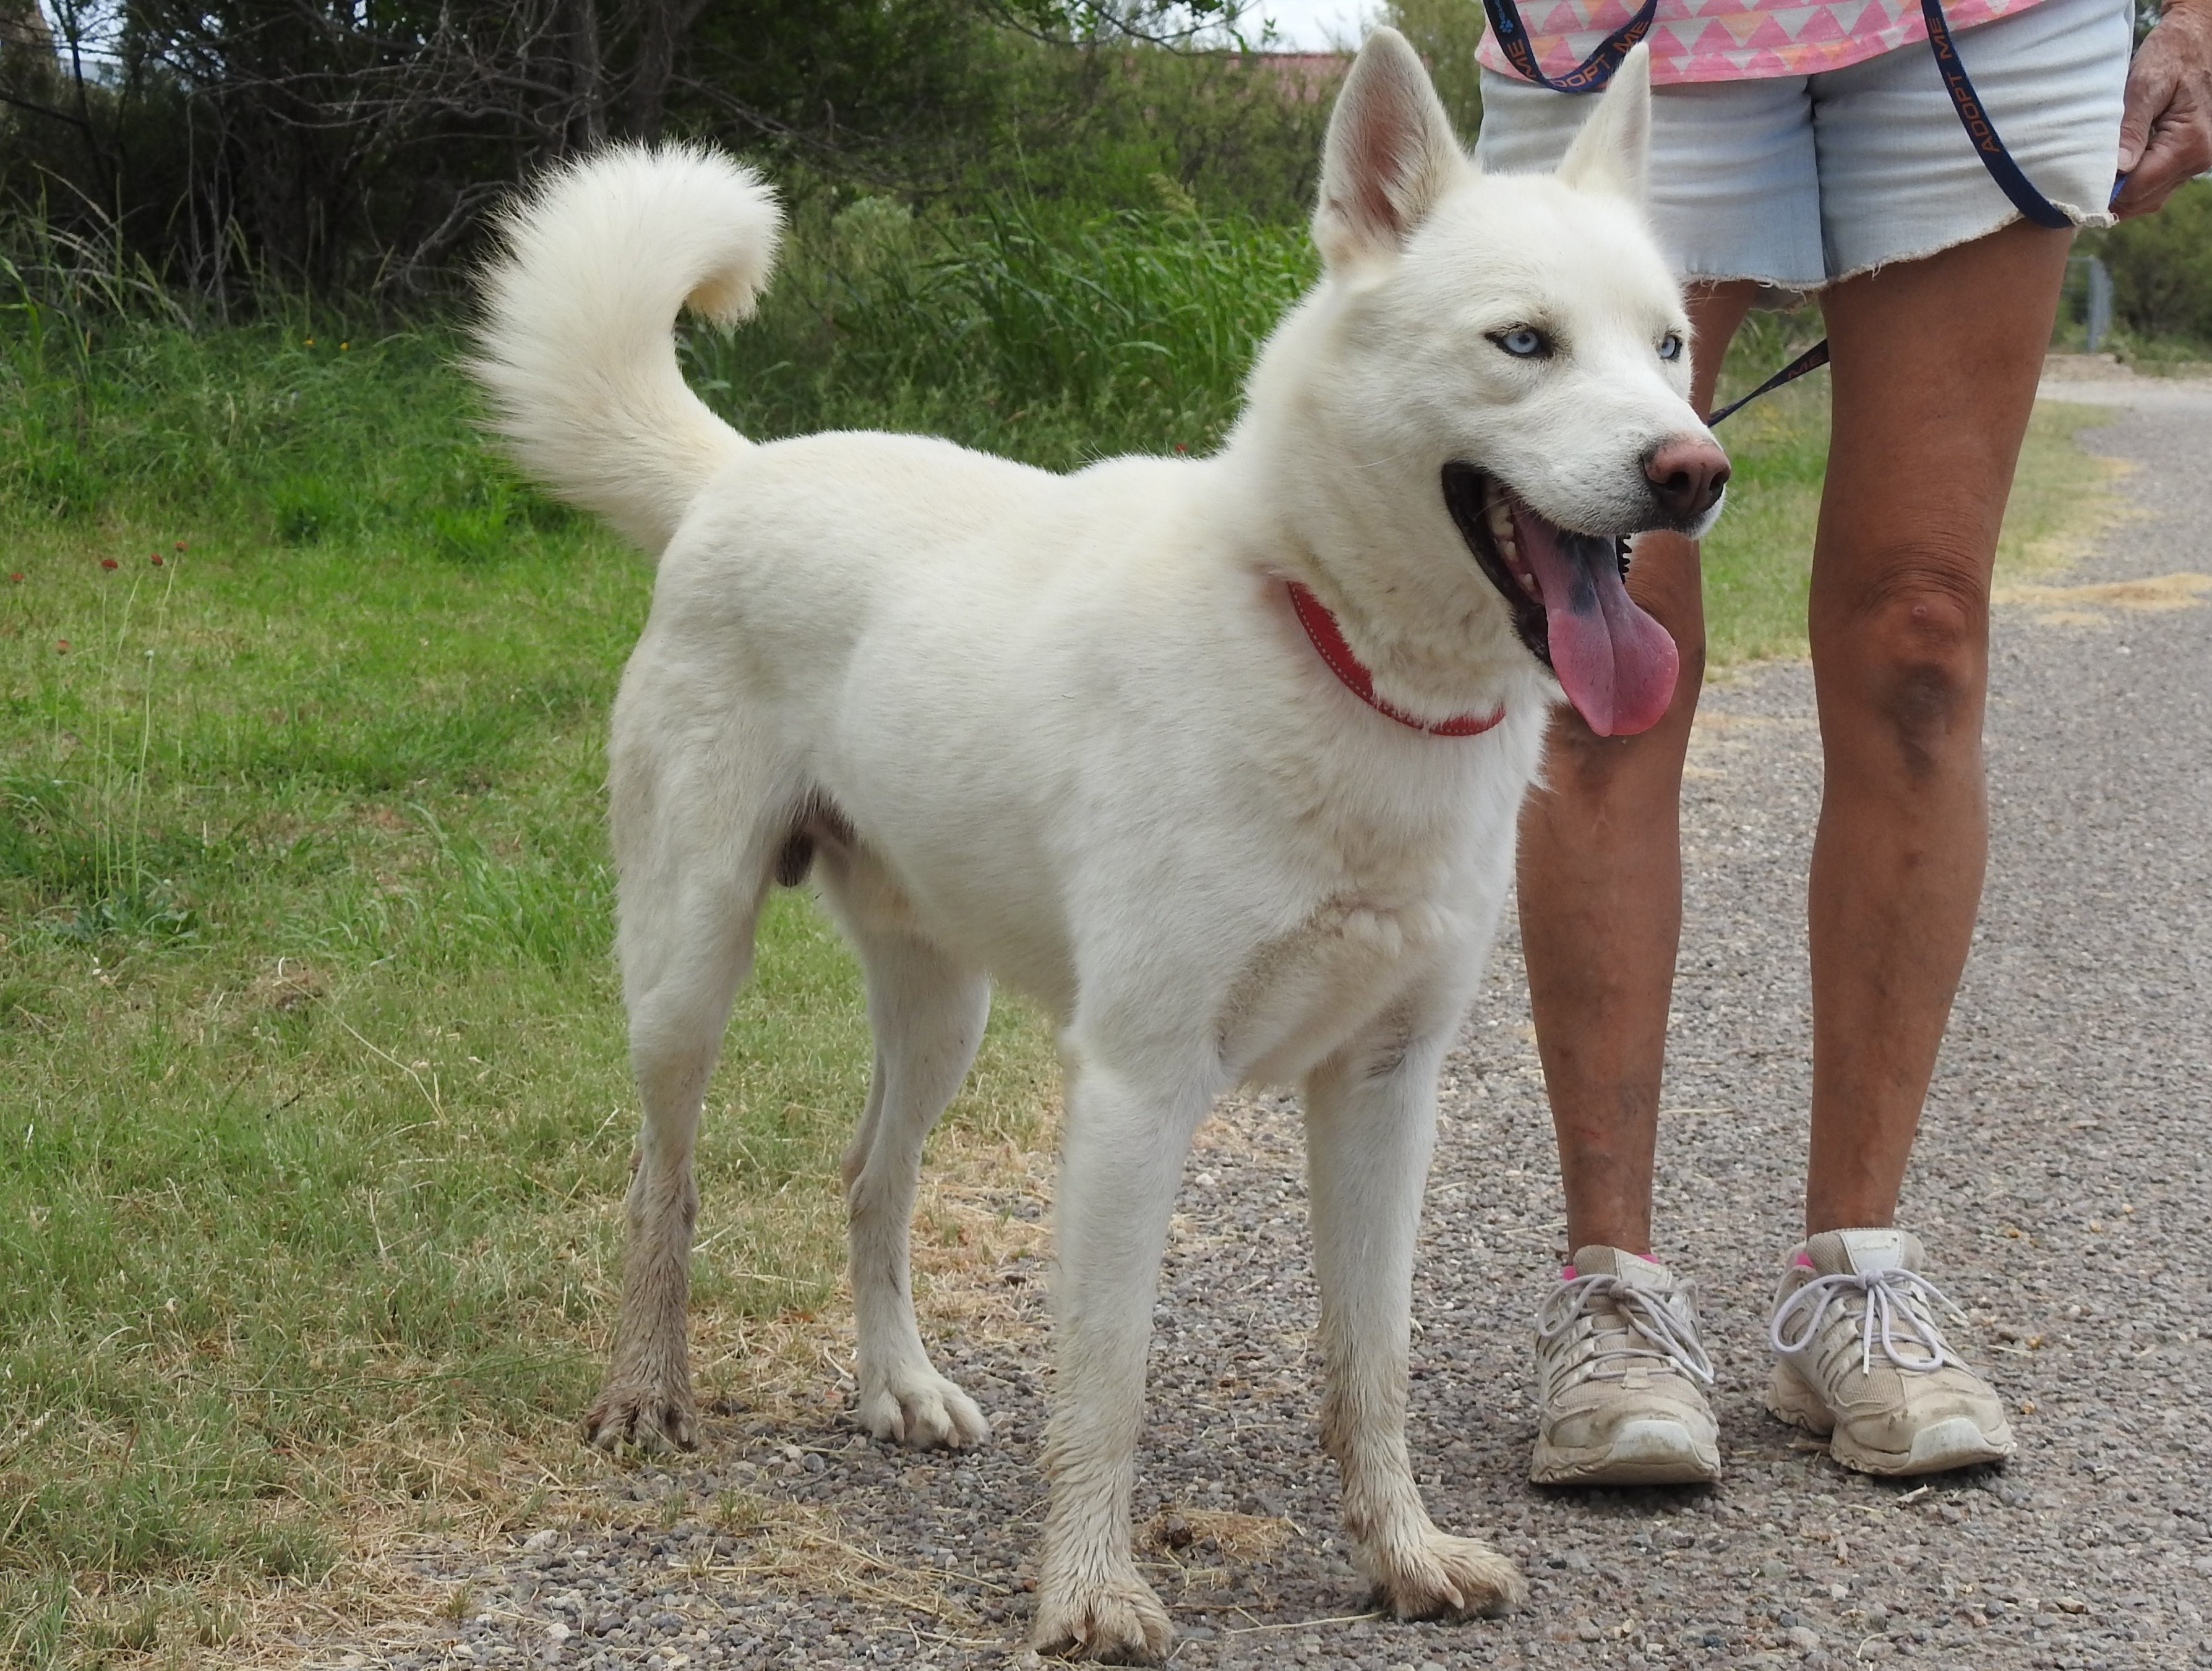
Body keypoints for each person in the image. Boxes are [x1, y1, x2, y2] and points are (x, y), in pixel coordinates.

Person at [1470, 0, 2212, 1484]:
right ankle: (1610, 1286)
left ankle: (1852, 1275)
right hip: (1626, 27)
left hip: (1991, 25)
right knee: (1606, 649)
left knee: (1923, 641)